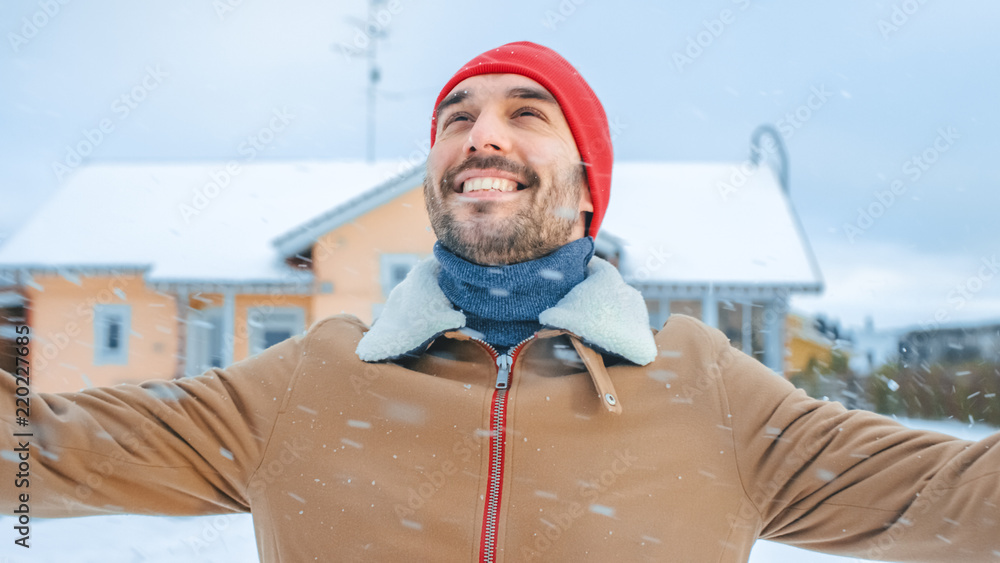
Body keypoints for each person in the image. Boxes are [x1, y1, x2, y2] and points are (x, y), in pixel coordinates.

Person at [3, 41, 999, 562]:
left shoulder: (709, 390)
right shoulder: (308, 380)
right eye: (456, 118)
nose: (483, 133)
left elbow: (963, 499)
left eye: (527, 113)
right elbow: (32, 455)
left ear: (585, 181)